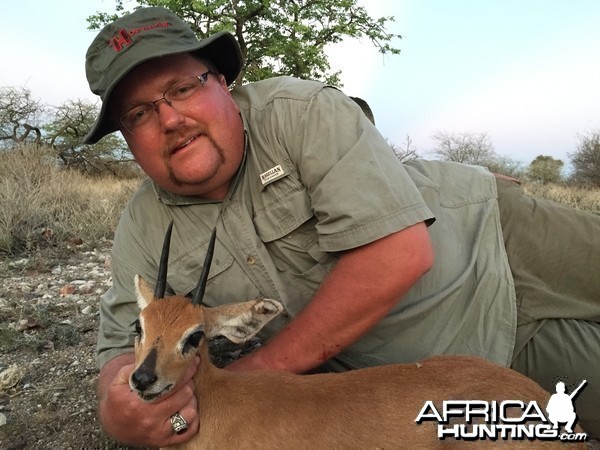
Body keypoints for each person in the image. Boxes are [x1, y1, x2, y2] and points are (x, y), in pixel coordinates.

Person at [84, 7, 600, 447]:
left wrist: (244, 383)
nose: (170, 119)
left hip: (498, 236)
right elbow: (118, 357)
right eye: (138, 114)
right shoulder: (143, 226)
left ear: (223, 83)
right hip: (463, 362)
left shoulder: (298, 111)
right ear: (127, 138)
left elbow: (400, 255)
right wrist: (121, 410)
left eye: (182, 87)